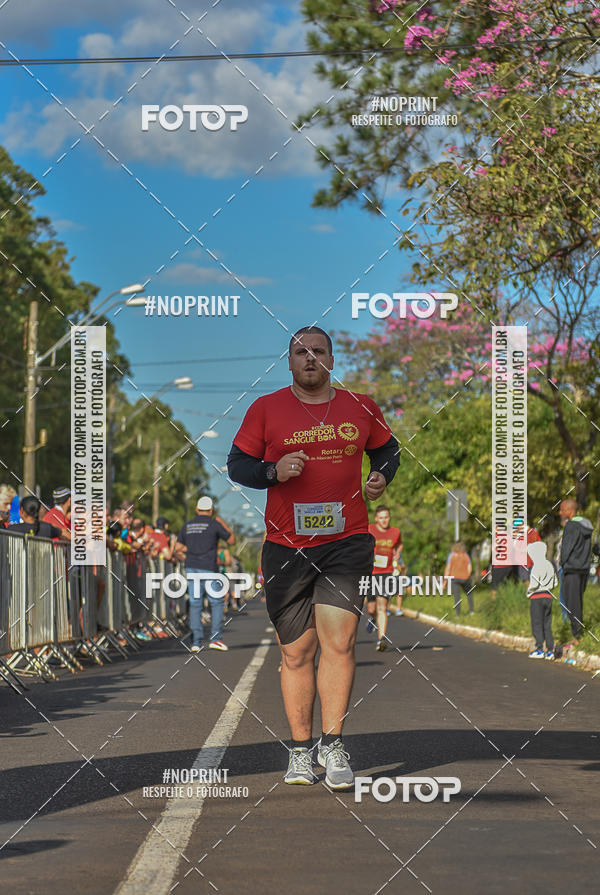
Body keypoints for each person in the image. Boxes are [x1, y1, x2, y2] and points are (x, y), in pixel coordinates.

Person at [227, 325, 400, 789]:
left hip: (347, 540)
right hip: (285, 546)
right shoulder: (265, 409)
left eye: (318, 351)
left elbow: (387, 450)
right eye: (300, 352)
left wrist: (381, 475)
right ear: (288, 362)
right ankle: (301, 751)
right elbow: (236, 465)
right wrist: (272, 470)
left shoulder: (360, 406)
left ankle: (335, 742)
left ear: (331, 359)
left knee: (340, 642)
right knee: (296, 651)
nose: (310, 359)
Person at [175, 496, 235, 651]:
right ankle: (215, 639)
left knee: (195, 603)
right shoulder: (214, 524)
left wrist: (189, 555)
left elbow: (177, 547)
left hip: (191, 568)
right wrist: (223, 524)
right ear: (211, 510)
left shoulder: (187, 525)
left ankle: (196, 642)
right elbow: (231, 541)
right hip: (209, 568)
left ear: (196, 509)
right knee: (216, 602)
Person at [366, 506, 402, 649]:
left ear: (389, 517)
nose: (384, 520)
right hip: (370, 573)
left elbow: (399, 545)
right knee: (371, 609)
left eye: (386, 517)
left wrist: (397, 553)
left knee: (382, 607)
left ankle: (381, 639)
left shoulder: (395, 532)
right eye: (381, 517)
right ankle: (372, 620)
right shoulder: (369, 529)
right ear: (376, 519)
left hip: (386, 573)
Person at [559, 499, 593, 645]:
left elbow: (567, 547)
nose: (560, 513)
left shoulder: (571, 526)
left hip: (571, 569)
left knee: (571, 604)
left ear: (569, 511)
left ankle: (577, 637)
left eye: (562, 510)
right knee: (577, 602)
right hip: (583, 569)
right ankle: (579, 634)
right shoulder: (587, 524)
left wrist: (562, 563)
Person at [490, 521, 540, 599]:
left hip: (502, 565)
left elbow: (494, 549)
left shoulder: (499, 536)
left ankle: (532, 596)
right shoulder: (510, 536)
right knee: (514, 582)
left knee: (495, 587)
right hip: (512, 564)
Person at [526, 540, 557, 659]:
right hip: (548, 596)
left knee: (537, 623)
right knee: (547, 624)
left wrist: (529, 592)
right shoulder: (549, 565)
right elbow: (555, 582)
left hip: (536, 597)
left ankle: (539, 649)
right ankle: (550, 650)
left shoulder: (536, 566)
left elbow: (533, 584)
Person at [444, 542, 473, 615]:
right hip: (465, 578)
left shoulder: (451, 555)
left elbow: (448, 568)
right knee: (469, 593)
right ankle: (471, 611)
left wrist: (445, 582)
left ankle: (458, 614)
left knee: (457, 596)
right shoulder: (466, 555)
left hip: (454, 578)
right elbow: (469, 568)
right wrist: (467, 576)